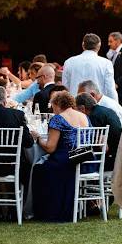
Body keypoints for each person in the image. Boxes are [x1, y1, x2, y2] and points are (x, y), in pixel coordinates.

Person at [31, 91, 91, 222]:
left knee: (38, 170)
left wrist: (38, 138)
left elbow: (50, 148)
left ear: (57, 104)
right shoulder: (84, 116)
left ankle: (48, 212)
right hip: (85, 159)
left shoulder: (58, 119)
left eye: (52, 106)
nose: (52, 109)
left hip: (66, 161)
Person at [75, 93, 122, 171]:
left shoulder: (93, 116)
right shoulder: (105, 110)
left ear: (82, 108)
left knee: (70, 156)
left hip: (109, 159)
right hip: (118, 153)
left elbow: (101, 146)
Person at [62, 33, 118, 99]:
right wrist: (115, 106)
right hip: (97, 104)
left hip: (75, 104)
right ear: (99, 46)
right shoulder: (106, 63)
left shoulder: (69, 62)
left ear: (83, 45)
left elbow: (65, 88)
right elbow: (110, 89)